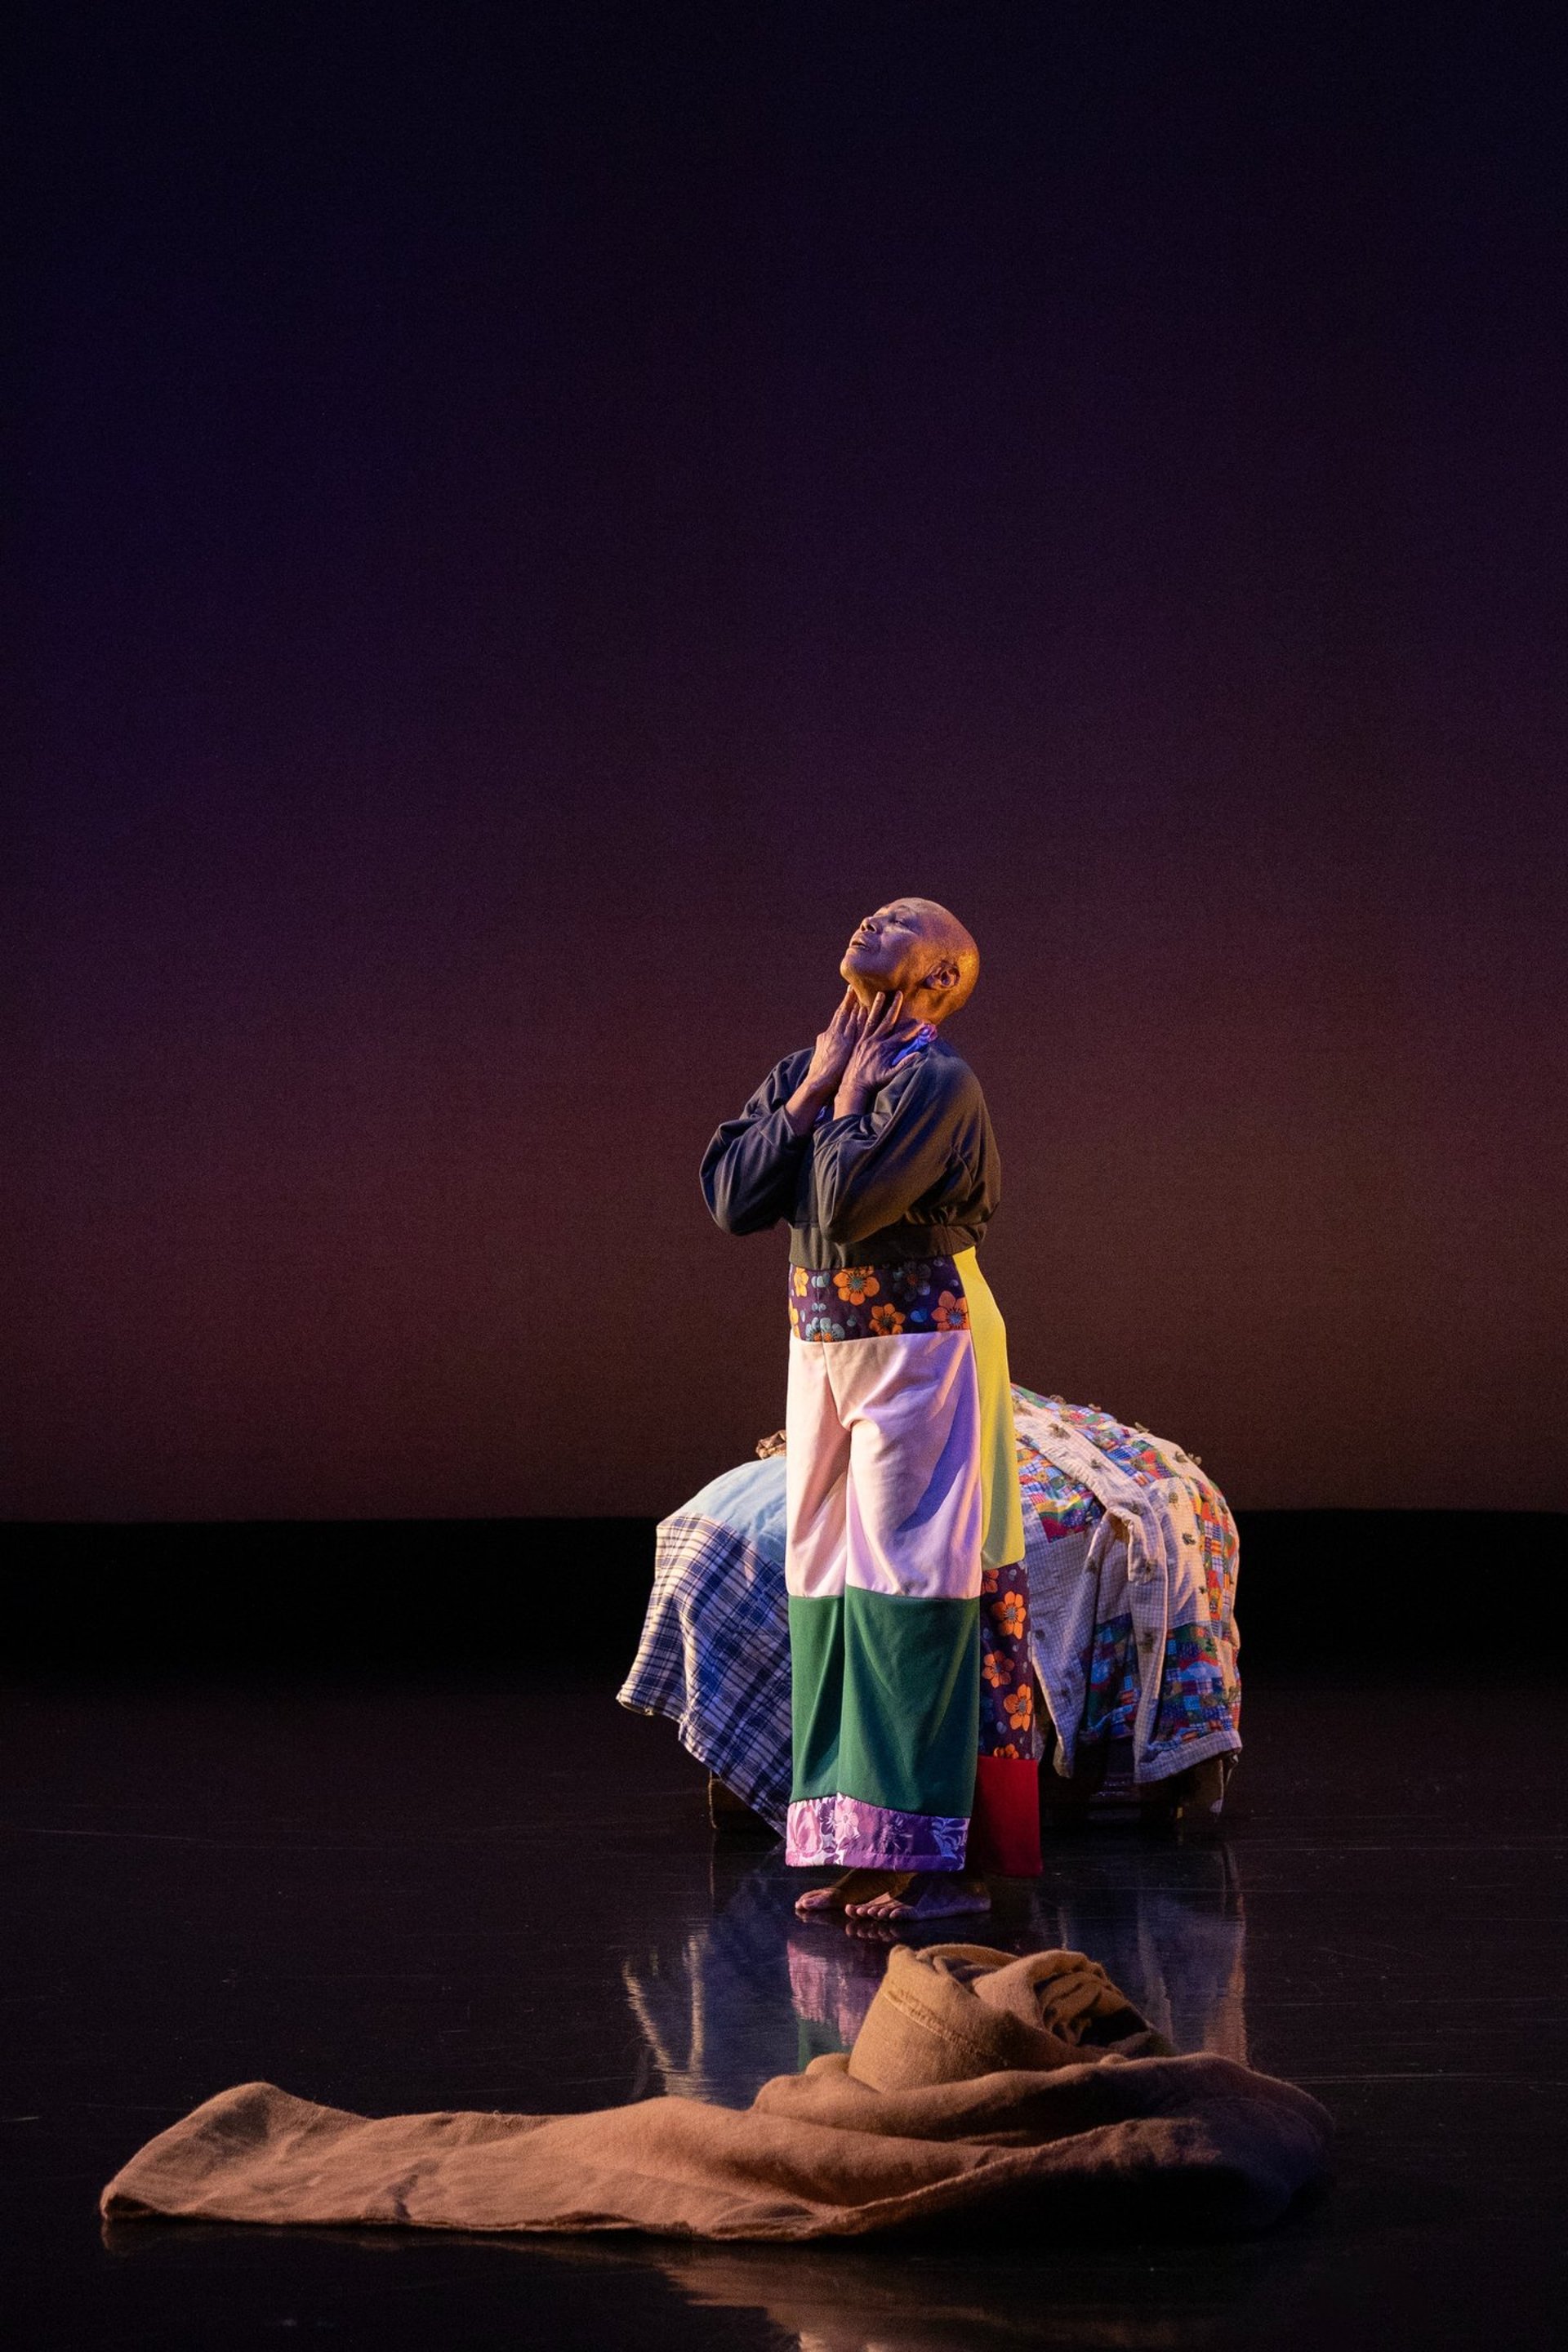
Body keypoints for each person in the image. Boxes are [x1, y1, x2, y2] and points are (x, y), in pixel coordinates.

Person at [701, 899, 1038, 1922]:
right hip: (825, 1342)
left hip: (920, 1340)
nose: (874, 915)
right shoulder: (814, 1064)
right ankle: (856, 1836)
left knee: (913, 1584)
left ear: (938, 982)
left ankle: (925, 1853)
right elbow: (731, 1195)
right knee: (828, 1586)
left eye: (905, 921)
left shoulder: (937, 1081)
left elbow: (848, 1205)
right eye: (875, 907)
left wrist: (843, 1101)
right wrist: (811, 1091)